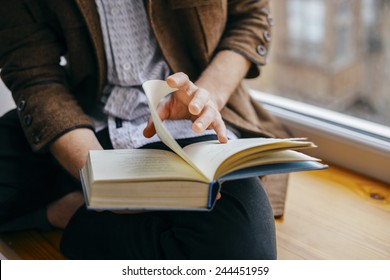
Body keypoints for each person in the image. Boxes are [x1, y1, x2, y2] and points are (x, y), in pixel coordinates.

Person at [0, 0, 289, 259]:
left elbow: (251, 16)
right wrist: (103, 180)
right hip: (82, 125)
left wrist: (206, 96)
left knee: (241, 248)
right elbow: (34, 73)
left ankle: (73, 213)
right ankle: (87, 210)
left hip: (192, 125)